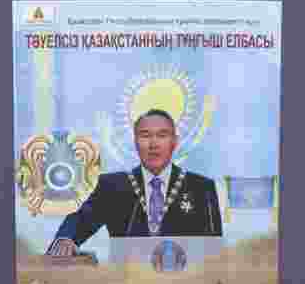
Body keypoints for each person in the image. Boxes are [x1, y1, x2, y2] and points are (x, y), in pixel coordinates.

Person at [47, 108, 222, 256]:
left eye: (162, 135)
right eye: (145, 135)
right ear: (135, 142)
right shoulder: (112, 186)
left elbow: (215, 250)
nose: (153, 144)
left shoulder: (202, 188)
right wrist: (66, 238)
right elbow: (81, 219)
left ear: (174, 142)